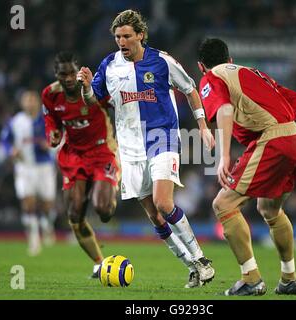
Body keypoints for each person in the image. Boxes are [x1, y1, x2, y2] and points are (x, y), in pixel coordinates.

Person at [77, 9, 216, 288]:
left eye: (127, 36)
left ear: (140, 35)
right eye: (117, 37)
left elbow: (189, 89)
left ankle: (202, 260)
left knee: (165, 204)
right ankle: (191, 268)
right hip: (129, 147)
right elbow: (93, 101)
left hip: (162, 138)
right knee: (154, 215)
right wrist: (84, 87)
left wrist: (202, 126)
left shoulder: (162, 62)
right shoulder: (109, 65)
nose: (122, 41)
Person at [197, 38, 296, 296]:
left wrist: (224, 155)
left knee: (223, 204)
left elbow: (225, 109)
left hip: (274, 141)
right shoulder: (257, 75)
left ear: (200, 67)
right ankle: (289, 279)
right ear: (231, 60)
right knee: (269, 208)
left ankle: (251, 279)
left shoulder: (211, 77)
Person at [42, 52, 119, 277]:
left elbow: (120, 106)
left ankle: (113, 185)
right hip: (74, 156)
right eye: (62, 74)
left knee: (103, 210)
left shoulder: (95, 88)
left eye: (71, 73)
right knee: (75, 214)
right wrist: (53, 134)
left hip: (102, 151)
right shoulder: (50, 94)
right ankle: (99, 262)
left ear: (79, 72)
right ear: (56, 74)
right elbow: (51, 121)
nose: (67, 78)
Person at [0, 90, 57, 256]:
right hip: (24, 167)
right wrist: (11, 150)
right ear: (22, 103)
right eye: (27, 100)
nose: (29, 103)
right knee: (28, 204)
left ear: (38, 102)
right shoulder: (15, 121)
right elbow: (4, 140)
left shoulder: (48, 119)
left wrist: (51, 144)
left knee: (47, 205)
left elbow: (59, 137)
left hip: (45, 167)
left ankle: (47, 225)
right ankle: (34, 239)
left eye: (32, 100)